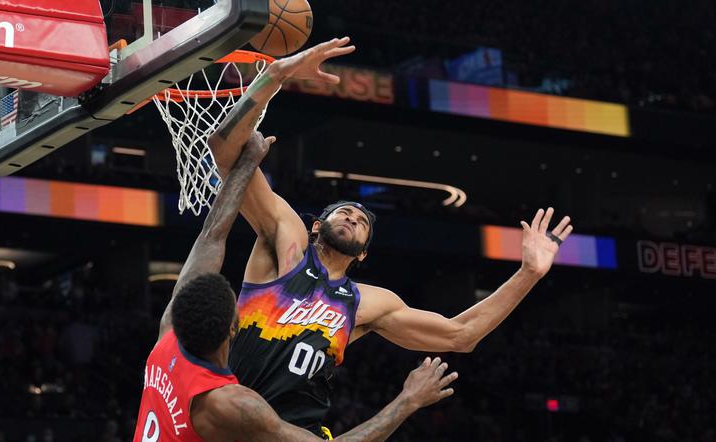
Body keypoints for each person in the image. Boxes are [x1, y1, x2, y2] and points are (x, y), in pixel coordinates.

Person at [207, 37, 575, 435]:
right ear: (316, 226)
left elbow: (462, 335)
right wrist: (274, 78)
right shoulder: (288, 244)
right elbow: (223, 150)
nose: (352, 217)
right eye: (343, 212)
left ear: (363, 254)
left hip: (299, 433)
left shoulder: (367, 302)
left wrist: (528, 273)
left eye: (362, 222)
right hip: (227, 417)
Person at [132, 133, 459, 441]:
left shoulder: (167, 344)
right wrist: (408, 400)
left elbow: (211, 238)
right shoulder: (231, 404)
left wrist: (247, 164)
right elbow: (210, 235)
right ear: (233, 329)